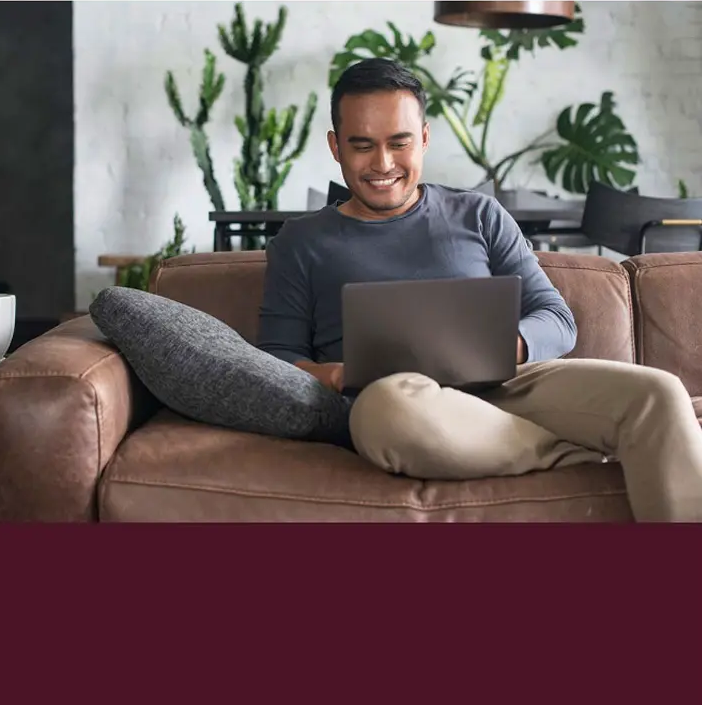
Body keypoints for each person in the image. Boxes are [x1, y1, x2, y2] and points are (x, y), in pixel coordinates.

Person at [257, 57, 702, 522]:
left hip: (507, 385)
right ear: (335, 146)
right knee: (385, 410)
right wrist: (336, 375)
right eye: (362, 146)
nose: (383, 164)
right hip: (404, 406)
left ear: (424, 138)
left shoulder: (480, 215)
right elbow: (275, 361)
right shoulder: (300, 242)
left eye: (399, 143)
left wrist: (505, 345)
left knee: (659, 391)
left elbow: (556, 318)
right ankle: (573, 454)